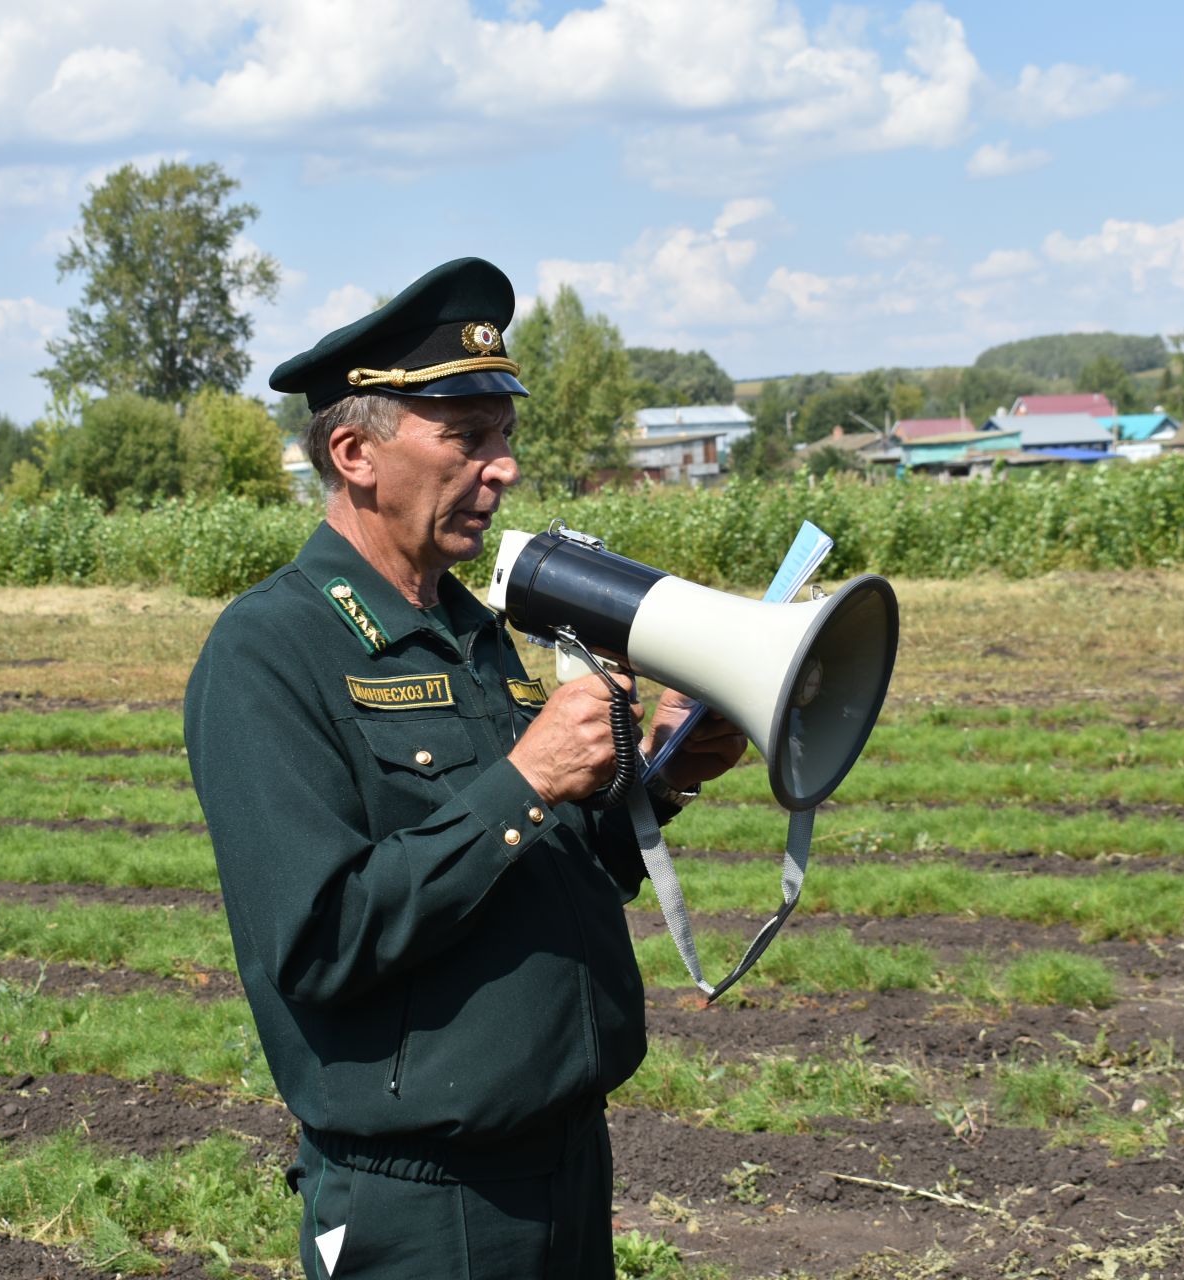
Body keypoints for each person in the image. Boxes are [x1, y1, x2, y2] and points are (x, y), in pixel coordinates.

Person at [184, 257, 745, 1279]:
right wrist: (524, 781)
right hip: (425, 1208)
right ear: (355, 452)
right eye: (468, 437)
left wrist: (659, 776)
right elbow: (319, 939)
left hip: (567, 1172)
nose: (505, 469)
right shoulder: (270, 652)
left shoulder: (467, 628)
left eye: (506, 437)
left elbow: (546, 868)